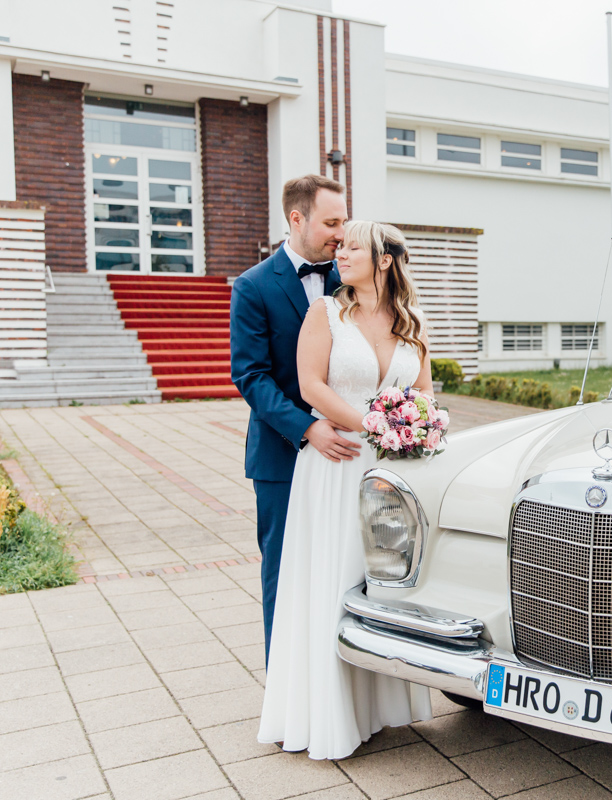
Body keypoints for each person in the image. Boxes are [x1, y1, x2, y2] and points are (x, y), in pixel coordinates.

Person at [257, 221, 434, 759]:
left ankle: (377, 707)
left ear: (384, 259)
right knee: (330, 580)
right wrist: (374, 425)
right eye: (341, 244)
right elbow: (310, 384)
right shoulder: (325, 313)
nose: (342, 252)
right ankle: (325, 713)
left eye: (354, 246)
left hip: (387, 473)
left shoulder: (411, 320)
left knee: (376, 583)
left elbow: (424, 392)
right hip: (335, 464)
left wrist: (416, 427)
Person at [230, 175, 360, 663]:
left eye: (343, 221)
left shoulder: (350, 279)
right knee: (284, 573)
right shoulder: (253, 286)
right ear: (296, 219)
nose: (340, 233)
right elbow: (251, 376)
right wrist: (308, 429)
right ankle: (285, 692)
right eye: (331, 222)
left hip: (346, 456)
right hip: (281, 459)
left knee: (342, 568)